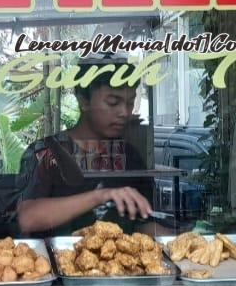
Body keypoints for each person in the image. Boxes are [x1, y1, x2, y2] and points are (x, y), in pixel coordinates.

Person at [16, 58, 164, 237]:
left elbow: (143, 223)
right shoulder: (45, 152)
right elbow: (27, 218)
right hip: (55, 254)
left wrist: (174, 237)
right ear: (83, 101)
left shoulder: (130, 156)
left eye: (130, 103)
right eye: (113, 102)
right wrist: (101, 195)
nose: (125, 112)